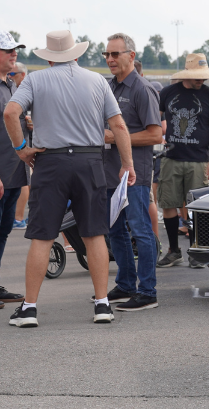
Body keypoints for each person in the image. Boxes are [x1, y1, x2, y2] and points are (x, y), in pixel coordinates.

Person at [4, 30, 135, 327]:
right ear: (76, 54)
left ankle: (30, 308)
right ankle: (102, 304)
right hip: (90, 160)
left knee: (42, 236)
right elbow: (119, 126)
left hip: (51, 161)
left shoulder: (36, 79)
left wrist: (22, 149)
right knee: (94, 234)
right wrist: (127, 164)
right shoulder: (96, 81)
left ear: (49, 57)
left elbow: (11, 112)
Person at [101, 33, 162, 311]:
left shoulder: (142, 89)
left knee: (140, 230)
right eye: (107, 55)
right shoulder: (110, 87)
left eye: (116, 54)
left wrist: (116, 138)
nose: (111, 59)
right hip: (112, 173)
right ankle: (126, 284)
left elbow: (155, 135)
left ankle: (148, 291)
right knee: (115, 232)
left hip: (135, 174)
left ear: (131, 56)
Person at [157, 53, 209, 269]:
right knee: (169, 205)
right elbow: (153, 119)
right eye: (198, 76)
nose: (202, 80)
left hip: (199, 160)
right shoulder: (167, 93)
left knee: (198, 208)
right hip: (172, 158)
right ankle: (173, 250)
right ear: (187, 73)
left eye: (204, 77)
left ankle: (197, 251)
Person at [0, 31, 27, 307]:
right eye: (7, 50)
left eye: (14, 49)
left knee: (4, 230)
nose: (13, 54)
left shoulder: (10, 84)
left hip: (12, 174)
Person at [10, 62, 30, 230]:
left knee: (22, 180)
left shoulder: (23, 90)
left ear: (22, 75)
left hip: (20, 143)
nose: (10, 77)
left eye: (12, 74)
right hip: (19, 141)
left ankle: (18, 218)